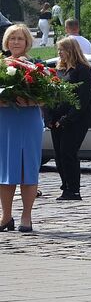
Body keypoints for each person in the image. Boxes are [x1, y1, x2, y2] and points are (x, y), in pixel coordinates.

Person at [0, 25, 43, 232]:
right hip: (5, 121)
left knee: (28, 170)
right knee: (5, 170)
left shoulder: (36, 67)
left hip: (28, 121)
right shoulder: (0, 66)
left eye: (20, 39)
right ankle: (6, 216)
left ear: (27, 42)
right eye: (12, 38)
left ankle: (27, 217)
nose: (16, 42)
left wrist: (27, 100)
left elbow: (46, 98)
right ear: (6, 42)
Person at [47, 37, 91, 201]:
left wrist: (66, 119)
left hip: (76, 119)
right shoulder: (59, 69)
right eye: (59, 50)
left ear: (72, 51)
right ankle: (65, 186)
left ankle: (74, 189)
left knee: (68, 152)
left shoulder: (83, 70)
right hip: (57, 119)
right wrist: (50, 117)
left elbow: (83, 99)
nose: (60, 53)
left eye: (63, 50)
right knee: (59, 154)